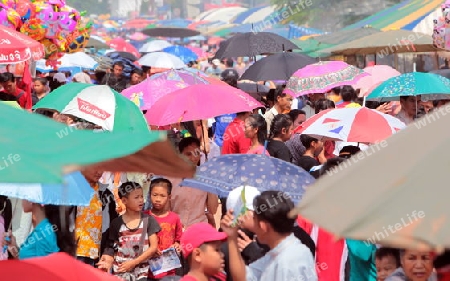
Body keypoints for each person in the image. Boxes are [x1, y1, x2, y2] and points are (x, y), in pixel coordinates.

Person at [221, 191, 318, 281]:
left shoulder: (286, 261)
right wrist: (232, 238)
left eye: (255, 218)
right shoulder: (284, 251)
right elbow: (243, 277)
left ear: (263, 226)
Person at [98, 182, 161, 281]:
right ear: (124, 200)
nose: (141, 200)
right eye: (136, 197)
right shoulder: (116, 223)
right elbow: (112, 247)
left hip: (141, 273)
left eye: (141, 196)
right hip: (120, 271)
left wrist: (133, 263)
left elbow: (153, 247)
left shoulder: (148, 220)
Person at [170, 137, 218, 229]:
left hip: (199, 230)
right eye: (188, 154)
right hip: (176, 230)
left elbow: (213, 210)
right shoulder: (170, 179)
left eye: (196, 153)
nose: (193, 158)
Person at [4, 201, 75, 260]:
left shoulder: (44, 232)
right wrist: (14, 247)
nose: (22, 199)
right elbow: (30, 260)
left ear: (32, 200)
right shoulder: (42, 228)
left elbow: (43, 271)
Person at [145, 178, 183, 280]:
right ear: (149, 195)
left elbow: (179, 240)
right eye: (155, 195)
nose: (158, 199)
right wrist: (150, 249)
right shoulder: (144, 217)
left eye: (162, 196)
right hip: (146, 270)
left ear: (169, 197)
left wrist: (178, 245)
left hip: (169, 271)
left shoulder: (174, 218)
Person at [75, 168, 104, 266]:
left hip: (95, 254)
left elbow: (110, 226)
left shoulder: (105, 194)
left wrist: (108, 252)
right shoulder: (70, 190)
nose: (99, 171)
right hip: (73, 251)